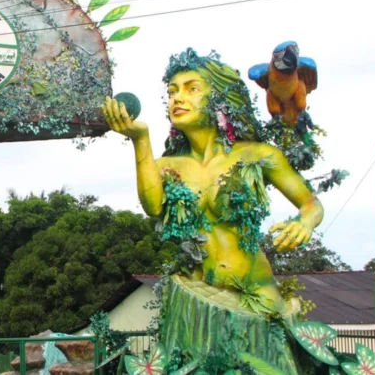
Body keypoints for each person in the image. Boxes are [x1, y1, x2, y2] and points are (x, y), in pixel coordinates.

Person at [101, 48, 323, 312]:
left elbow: (311, 204)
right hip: (199, 299)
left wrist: (305, 223)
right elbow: (153, 207)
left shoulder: (258, 155)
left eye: (191, 89)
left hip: (256, 298)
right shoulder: (166, 166)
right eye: (172, 92)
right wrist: (140, 139)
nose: (177, 98)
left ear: (219, 99)